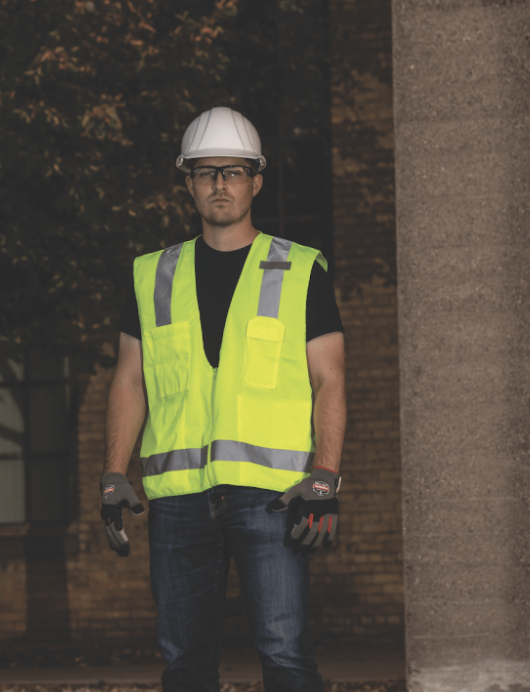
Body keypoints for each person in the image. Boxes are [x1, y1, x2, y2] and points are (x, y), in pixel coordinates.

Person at [100, 106, 346, 692]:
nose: (219, 184)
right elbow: (129, 380)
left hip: (273, 497)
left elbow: (330, 379)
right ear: (187, 182)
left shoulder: (300, 269)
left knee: (286, 656)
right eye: (206, 172)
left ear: (255, 181)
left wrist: (328, 475)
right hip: (180, 502)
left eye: (232, 172)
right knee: (184, 664)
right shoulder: (151, 274)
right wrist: (113, 472)